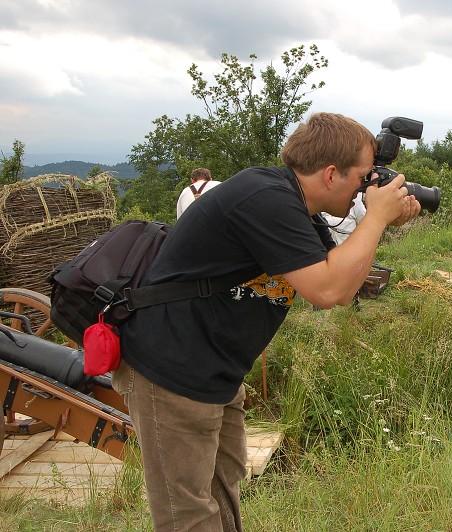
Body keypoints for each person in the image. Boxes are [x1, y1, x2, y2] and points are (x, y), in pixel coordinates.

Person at [114, 112, 421, 531]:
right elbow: (327, 290)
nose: (366, 188)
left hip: (215, 371)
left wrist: (380, 223)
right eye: (364, 177)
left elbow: (343, 285)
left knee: (224, 490)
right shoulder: (265, 197)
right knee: (187, 513)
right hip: (171, 369)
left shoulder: (298, 208)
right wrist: (376, 218)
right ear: (331, 174)